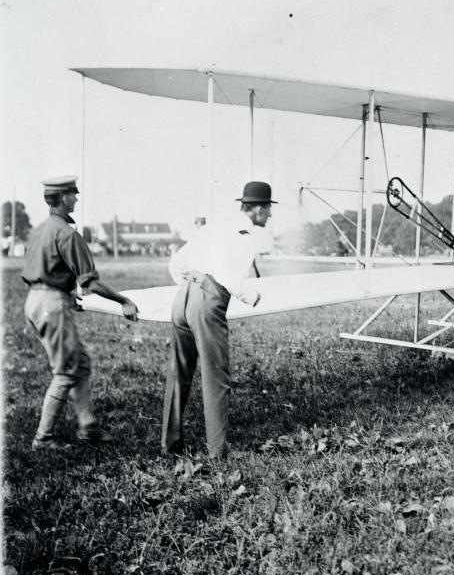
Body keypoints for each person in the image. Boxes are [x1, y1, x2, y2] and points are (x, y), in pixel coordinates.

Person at [22, 176, 139, 450]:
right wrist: (124, 300)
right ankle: (43, 438)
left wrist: (65, 292)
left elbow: (45, 270)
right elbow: (91, 282)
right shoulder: (67, 233)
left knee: (80, 362)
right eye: (73, 194)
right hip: (51, 305)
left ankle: (88, 427)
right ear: (62, 198)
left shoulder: (39, 230)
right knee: (66, 371)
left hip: (35, 301)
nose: (76, 198)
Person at [161, 181, 275, 459]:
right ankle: (218, 452)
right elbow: (227, 273)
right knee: (216, 376)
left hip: (183, 299)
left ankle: (169, 445)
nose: (269, 215)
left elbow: (176, 264)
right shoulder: (244, 233)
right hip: (207, 300)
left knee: (179, 372)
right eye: (268, 209)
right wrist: (250, 295)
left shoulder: (214, 226)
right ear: (258, 208)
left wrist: (192, 284)